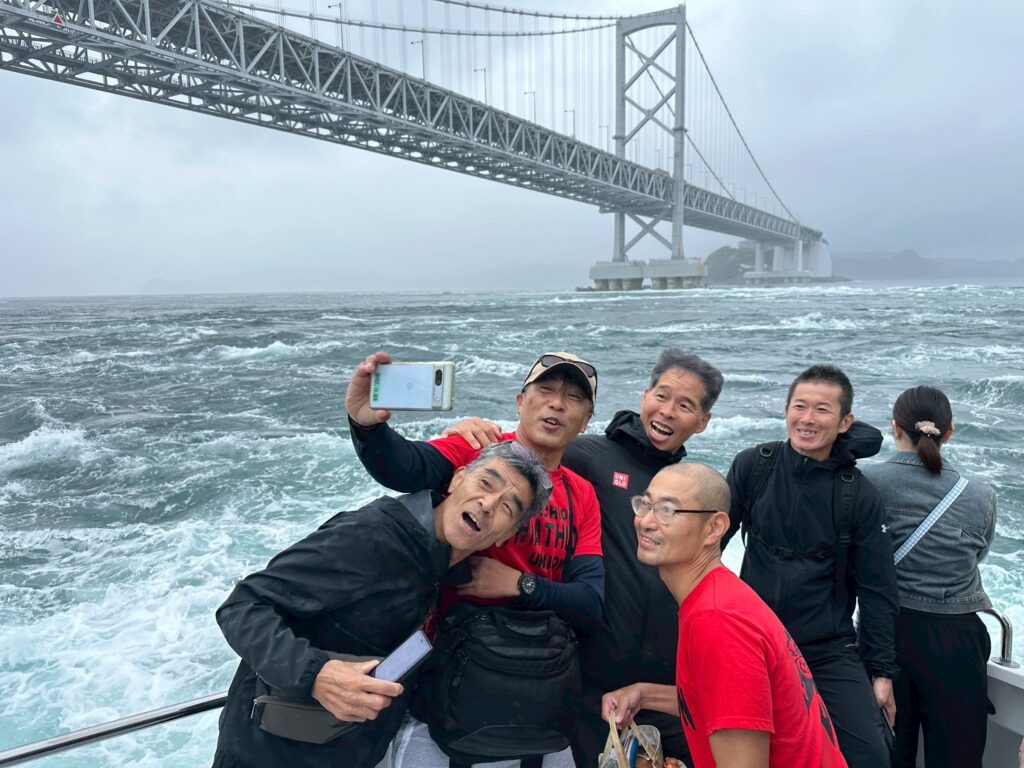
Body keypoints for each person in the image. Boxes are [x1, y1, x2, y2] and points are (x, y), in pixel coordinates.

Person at [439, 348, 724, 765]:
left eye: (685, 405)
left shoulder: (693, 488)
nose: (667, 411)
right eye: (662, 396)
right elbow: (525, 454)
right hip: (587, 675)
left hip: (664, 681)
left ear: (702, 422)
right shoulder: (588, 456)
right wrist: (469, 436)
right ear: (644, 397)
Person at [212, 441, 551, 768]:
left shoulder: (451, 575)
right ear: (457, 479)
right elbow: (243, 605)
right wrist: (315, 675)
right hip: (268, 752)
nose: (488, 503)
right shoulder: (371, 535)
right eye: (485, 483)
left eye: (507, 507)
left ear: (506, 535)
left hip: (349, 752)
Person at [345, 350, 604, 768]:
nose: (557, 403)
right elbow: (403, 468)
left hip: (535, 686)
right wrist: (366, 426)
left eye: (573, 398)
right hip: (444, 678)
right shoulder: (477, 450)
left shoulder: (582, 494)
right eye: (546, 390)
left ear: (586, 421)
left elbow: (590, 603)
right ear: (520, 401)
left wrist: (518, 584)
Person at [602, 463, 847, 768]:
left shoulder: (717, 621)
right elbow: (729, 701)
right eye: (645, 505)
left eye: (667, 511)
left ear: (714, 528)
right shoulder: (722, 595)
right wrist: (645, 695)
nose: (646, 521)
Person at [723, 363, 898, 768]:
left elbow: (878, 588)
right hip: (753, 641)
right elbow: (707, 545)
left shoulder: (858, 494)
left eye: (822, 409)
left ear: (844, 422)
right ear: (786, 410)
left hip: (827, 648)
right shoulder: (754, 466)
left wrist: (882, 671)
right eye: (799, 406)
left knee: (870, 755)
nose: (807, 419)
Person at [861, 385, 997, 768]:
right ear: (948, 432)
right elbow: (978, 555)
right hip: (958, 641)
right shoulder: (981, 494)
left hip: (887, 635)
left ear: (895, 428)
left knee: (887, 755)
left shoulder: (868, 481)